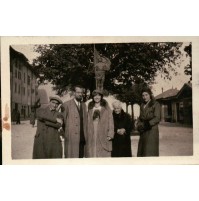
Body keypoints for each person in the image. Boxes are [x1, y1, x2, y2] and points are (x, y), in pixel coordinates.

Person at [86, 89, 114, 157]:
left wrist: (110, 134)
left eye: (98, 95)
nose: (97, 97)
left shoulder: (106, 107)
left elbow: (111, 120)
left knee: (103, 153)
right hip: (92, 133)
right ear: (92, 97)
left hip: (103, 132)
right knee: (92, 153)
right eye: (95, 95)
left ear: (101, 97)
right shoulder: (90, 108)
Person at [62, 85, 88, 158]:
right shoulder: (66, 104)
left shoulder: (84, 105)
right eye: (78, 92)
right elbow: (62, 121)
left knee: (80, 158)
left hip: (82, 138)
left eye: (81, 92)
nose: (80, 94)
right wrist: (66, 134)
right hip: (71, 138)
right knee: (71, 159)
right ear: (74, 93)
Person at [137, 87, 161, 157]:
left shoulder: (156, 104)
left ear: (150, 95)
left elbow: (157, 118)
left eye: (146, 95)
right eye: (143, 95)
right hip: (143, 131)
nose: (144, 97)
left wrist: (147, 124)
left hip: (151, 130)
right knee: (142, 151)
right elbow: (140, 117)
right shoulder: (142, 105)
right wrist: (138, 124)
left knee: (150, 151)